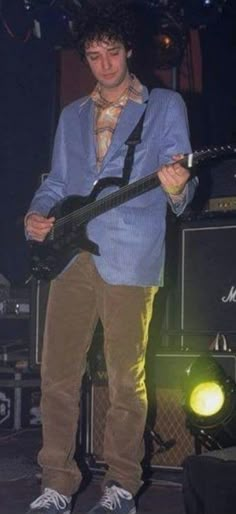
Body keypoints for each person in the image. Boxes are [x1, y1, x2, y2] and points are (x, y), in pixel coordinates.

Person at [24, 1, 198, 513]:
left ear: (129, 51)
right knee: (56, 374)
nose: (104, 65)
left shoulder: (164, 106)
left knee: (126, 378)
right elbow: (56, 184)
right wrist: (35, 216)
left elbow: (180, 188)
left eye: (113, 53)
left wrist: (176, 185)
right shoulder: (72, 115)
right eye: (95, 56)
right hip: (71, 258)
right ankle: (56, 483)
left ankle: (121, 484)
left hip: (131, 256)